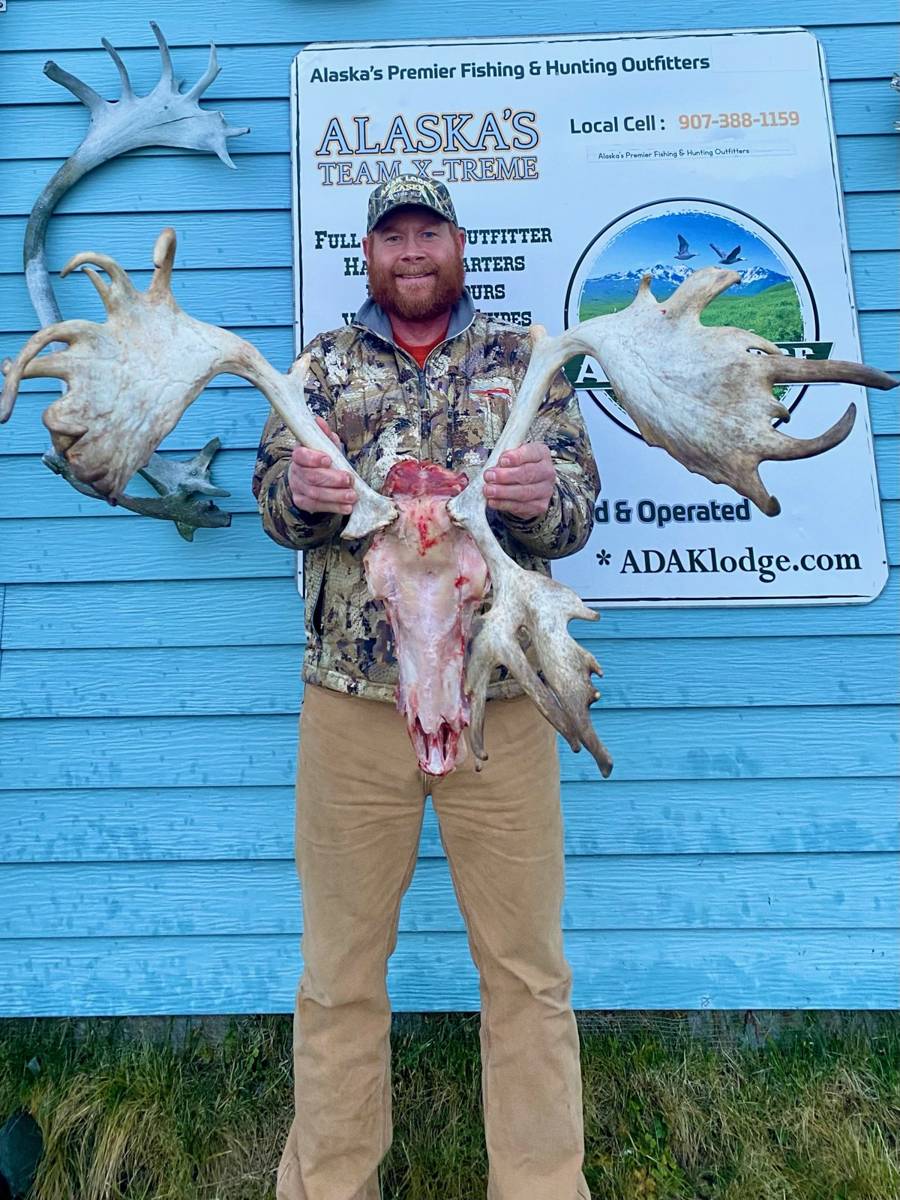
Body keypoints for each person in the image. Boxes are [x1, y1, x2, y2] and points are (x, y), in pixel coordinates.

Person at [252, 175, 600, 1200]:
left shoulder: (524, 363)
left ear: (458, 245)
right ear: (368, 254)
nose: (412, 251)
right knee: (339, 976)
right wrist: (301, 498)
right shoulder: (317, 368)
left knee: (529, 973)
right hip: (355, 710)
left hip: (502, 707)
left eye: (429, 233)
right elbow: (272, 500)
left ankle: (541, 1187)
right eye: (392, 235)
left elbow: (576, 508)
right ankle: (331, 1186)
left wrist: (543, 500)